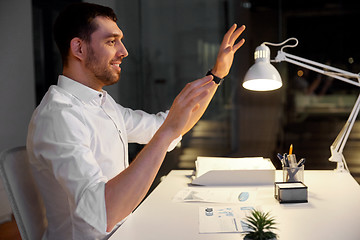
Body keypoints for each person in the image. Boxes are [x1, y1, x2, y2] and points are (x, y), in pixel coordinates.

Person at [26, 2, 246, 240]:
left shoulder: (102, 103)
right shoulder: (59, 116)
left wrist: (216, 76)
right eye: (111, 41)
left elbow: (167, 128)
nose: (124, 51)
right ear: (78, 48)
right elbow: (103, 214)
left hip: (126, 230)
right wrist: (166, 132)